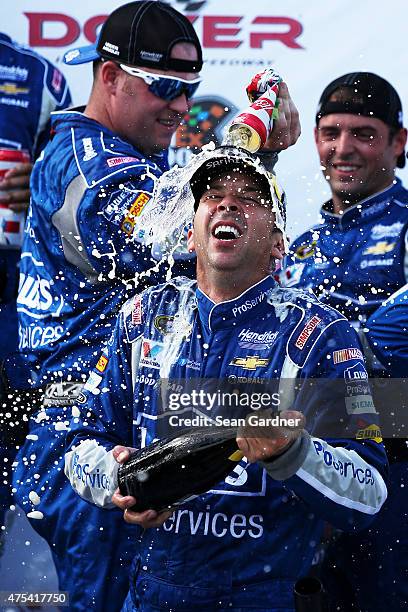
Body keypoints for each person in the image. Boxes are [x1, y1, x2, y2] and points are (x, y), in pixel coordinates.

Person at [9, 2, 300, 610]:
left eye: (188, 90)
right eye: (163, 87)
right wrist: (249, 132)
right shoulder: (86, 161)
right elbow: (170, 229)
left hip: (149, 420)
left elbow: (208, 241)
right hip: (94, 434)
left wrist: (260, 159)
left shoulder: (138, 159)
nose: (178, 106)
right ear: (110, 77)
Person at [65, 145, 388, 612]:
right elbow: (79, 444)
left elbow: (371, 494)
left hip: (265, 598)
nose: (228, 204)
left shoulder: (318, 333)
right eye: (212, 195)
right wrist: (118, 480)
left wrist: (291, 452)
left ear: (278, 243)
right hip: (149, 596)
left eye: (251, 198)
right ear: (192, 235)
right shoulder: (141, 318)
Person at [282, 72, 408, 611]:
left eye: (364, 133)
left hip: (395, 461)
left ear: (398, 143)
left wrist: (340, 349)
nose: (343, 149)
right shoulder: (302, 241)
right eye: (330, 132)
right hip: (308, 462)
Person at [0, 32, 72, 540]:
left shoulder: (38, 76)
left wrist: (44, 184)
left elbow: (69, 169)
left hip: (16, 276)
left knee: (22, 423)